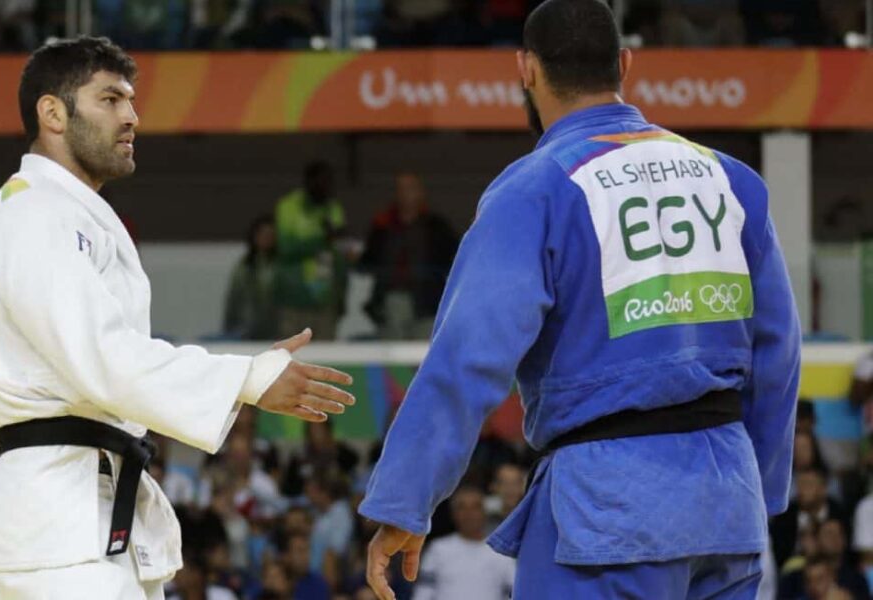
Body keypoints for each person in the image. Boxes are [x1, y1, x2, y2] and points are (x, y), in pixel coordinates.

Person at [360, 1, 801, 598]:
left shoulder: (536, 189)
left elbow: (468, 357)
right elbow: (778, 352)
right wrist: (763, 487)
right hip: (727, 506)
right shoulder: (729, 179)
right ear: (623, 64)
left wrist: (406, 500)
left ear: (526, 70)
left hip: (607, 512)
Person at [0, 36, 355, 599]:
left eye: (132, 102)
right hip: (57, 520)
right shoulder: (32, 214)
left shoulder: (65, 213)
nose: (132, 117)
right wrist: (246, 378)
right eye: (111, 99)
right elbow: (103, 356)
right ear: (53, 113)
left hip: (81, 512)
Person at [358, 172, 458, 340]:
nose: (406, 194)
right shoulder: (383, 226)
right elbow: (367, 262)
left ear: (421, 193)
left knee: (423, 353)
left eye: (410, 188)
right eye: (401, 189)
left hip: (427, 300)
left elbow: (454, 259)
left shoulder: (436, 227)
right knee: (391, 354)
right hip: (392, 298)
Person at [274, 160, 348, 340]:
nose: (326, 188)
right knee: (290, 359)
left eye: (329, 183)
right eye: (322, 182)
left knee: (324, 360)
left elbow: (338, 254)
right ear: (309, 182)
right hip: (293, 298)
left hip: (324, 298)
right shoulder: (288, 207)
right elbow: (286, 249)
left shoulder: (333, 208)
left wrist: (341, 295)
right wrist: (322, 240)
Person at [411, 486, 515, 600]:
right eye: (462, 507)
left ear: (484, 512)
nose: (469, 514)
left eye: (475, 507)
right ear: (453, 514)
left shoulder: (501, 550)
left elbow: (513, 594)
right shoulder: (438, 550)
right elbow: (423, 593)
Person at [224, 215, 280, 340]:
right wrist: (231, 327)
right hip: (248, 326)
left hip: (276, 327)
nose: (267, 239)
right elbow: (234, 298)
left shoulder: (281, 265)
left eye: (271, 235)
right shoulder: (245, 266)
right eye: (263, 234)